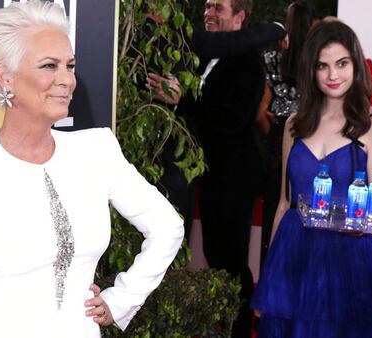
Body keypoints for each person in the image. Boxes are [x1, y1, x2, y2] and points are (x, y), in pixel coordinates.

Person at [0, 2, 184, 337]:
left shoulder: (96, 150)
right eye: (49, 66)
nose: (66, 80)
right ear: (6, 76)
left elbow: (167, 227)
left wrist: (122, 299)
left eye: (70, 65)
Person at [251, 18, 372, 337]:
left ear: (355, 65)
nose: (333, 74)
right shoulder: (294, 125)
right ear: (310, 69)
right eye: (323, 65)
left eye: (342, 63)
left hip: (344, 263)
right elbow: (283, 204)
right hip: (293, 259)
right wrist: (269, 279)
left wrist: (366, 221)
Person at [148, 1, 266, 337]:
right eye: (208, 5)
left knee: (229, 260)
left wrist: (181, 100)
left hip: (234, 176)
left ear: (240, 18)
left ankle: (239, 330)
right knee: (216, 253)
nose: (209, 12)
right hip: (209, 173)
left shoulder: (247, 62)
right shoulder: (203, 53)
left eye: (219, 7)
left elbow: (229, 121)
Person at [255, 0, 313, 264]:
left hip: (278, 139)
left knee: (275, 211)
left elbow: (260, 112)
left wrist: (273, 137)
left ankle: (270, 275)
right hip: (311, 141)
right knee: (309, 212)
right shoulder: (317, 65)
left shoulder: (271, 60)